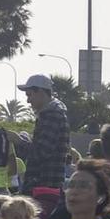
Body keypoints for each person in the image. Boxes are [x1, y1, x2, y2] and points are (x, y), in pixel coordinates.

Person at [20, 74, 72, 210]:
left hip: (43, 186)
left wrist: (19, 141)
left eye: (30, 94)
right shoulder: (53, 114)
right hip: (47, 185)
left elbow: (42, 152)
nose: (28, 100)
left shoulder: (52, 116)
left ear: (41, 92)